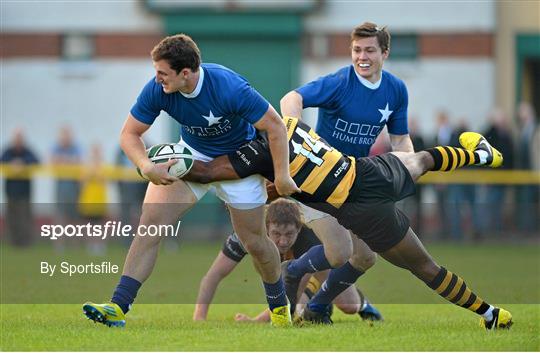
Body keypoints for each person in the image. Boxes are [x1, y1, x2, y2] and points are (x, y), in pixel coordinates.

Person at [181, 115, 512, 330]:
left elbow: (210, 172)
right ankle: (482, 155)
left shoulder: (256, 153)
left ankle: (490, 313)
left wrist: (165, 164)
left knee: (425, 268)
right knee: (419, 160)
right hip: (368, 172)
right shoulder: (290, 122)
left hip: (360, 209)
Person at [82, 34, 300, 328]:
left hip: (238, 164)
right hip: (190, 159)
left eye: (163, 73)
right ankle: (118, 307)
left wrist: (282, 175)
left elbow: (274, 126)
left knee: (255, 243)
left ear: (185, 73)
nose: (157, 78)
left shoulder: (228, 86)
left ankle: (278, 309)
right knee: (150, 224)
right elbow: (129, 133)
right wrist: (146, 165)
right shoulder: (158, 89)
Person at [277, 22, 413, 316]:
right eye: (356, 50)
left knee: (366, 258)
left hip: (357, 182)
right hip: (318, 180)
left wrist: (409, 165)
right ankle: (293, 271)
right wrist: (295, 132)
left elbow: (400, 139)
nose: (361, 57)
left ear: (385, 53)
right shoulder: (340, 82)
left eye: (369, 50)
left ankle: (315, 307)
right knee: (339, 254)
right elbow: (291, 98)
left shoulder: (396, 90)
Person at [192, 198, 382, 323]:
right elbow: (213, 276)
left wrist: (256, 321)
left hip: (319, 268)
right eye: (276, 234)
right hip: (294, 272)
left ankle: (363, 303)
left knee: (349, 305)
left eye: (289, 234)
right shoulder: (247, 234)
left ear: (298, 229)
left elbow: (294, 291)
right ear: (266, 229)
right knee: (291, 298)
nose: (283, 241)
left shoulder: (308, 237)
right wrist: (199, 318)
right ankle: (316, 302)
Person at [0, 128, 40, 247]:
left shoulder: (27, 151)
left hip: (25, 192)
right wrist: (12, 163)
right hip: (11, 191)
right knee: (11, 218)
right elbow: (2, 160)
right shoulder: (8, 151)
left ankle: (25, 243)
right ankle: (13, 242)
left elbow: (36, 161)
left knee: (25, 218)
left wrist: (23, 163)